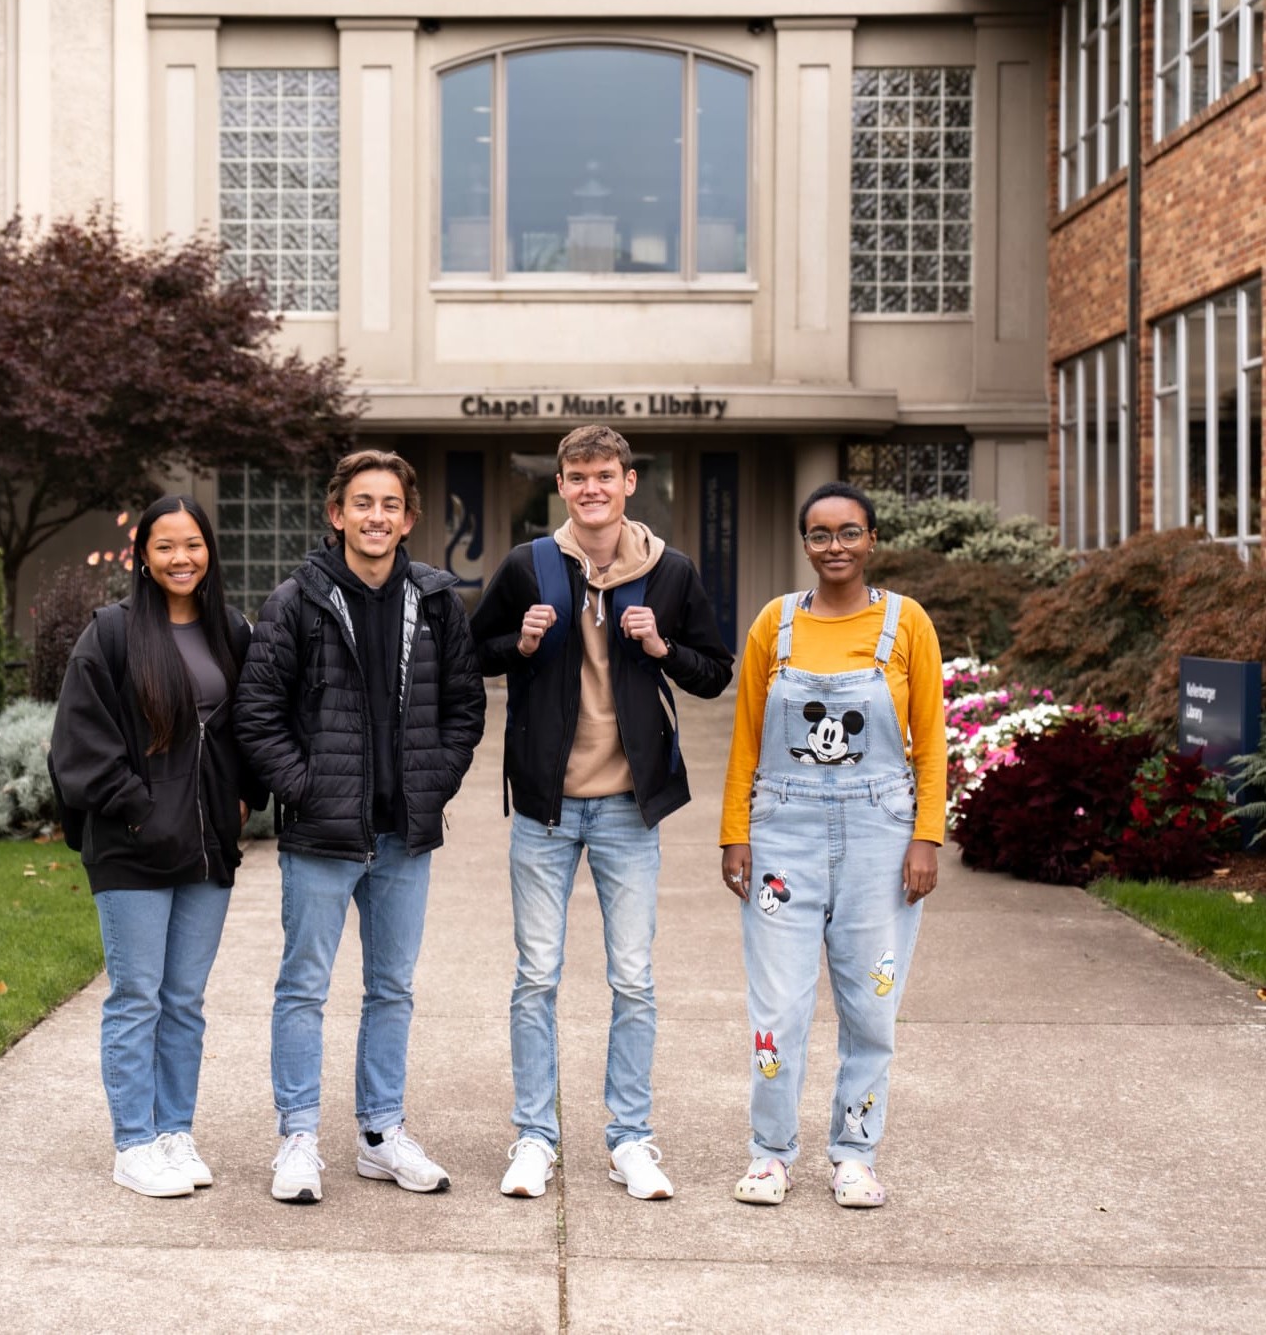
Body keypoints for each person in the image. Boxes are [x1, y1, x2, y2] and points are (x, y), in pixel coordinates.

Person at [472, 425, 733, 1201]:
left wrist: (661, 649)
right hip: (545, 813)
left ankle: (630, 1139)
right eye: (577, 476)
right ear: (561, 484)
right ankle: (533, 1137)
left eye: (604, 475)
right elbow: (472, 650)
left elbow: (713, 673)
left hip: (628, 808)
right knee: (535, 977)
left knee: (633, 979)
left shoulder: (671, 572)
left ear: (628, 481)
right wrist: (516, 644)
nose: (591, 488)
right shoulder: (529, 565)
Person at [234, 449, 485, 1204]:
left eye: (390, 504)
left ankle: (380, 1133)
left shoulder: (437, 600)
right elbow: (258, 713)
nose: (376, 516)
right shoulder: (297, 600)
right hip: (321, 835)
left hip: (403, 837)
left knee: (391, 988)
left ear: (408, 519)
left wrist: (431, 783)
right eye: (361, 502)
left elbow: (465, 709)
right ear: (336, 513)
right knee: (303, 986)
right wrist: (307, 789)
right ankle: (299, 1137)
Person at [720, 481, 945, 1208]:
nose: (835, 546)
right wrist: (735, 834)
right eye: (819, 534)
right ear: (804, 543)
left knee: (870, 1007)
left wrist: (926, 836)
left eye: (848, 532)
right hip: (782, 831)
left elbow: (932, 740)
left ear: (871, 538)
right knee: (778, 1009)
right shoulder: (774, 623)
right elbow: (747, 736)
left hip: (881, 831)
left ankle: (854, 1153)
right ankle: (769, 1154)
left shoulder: (905, 623)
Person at [50, 495, 266, 1197]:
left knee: (184, 999)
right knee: (137, 995)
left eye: (193, 544)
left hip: (207, 842)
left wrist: (243, 795)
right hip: (132, 843)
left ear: (210, 551)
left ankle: (175, 1130)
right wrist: (139, 810)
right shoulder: (110, 634)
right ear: (142, 554)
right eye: (166, 546)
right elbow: (80, 743)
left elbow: (246, 725)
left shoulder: (229, 629)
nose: (182, 558)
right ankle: (133, 1142)